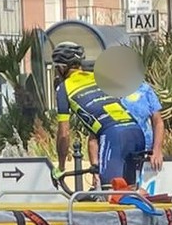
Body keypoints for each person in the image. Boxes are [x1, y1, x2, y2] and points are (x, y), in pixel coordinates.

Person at [52, 42, 147, 187]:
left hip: (114, 135)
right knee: (130, 192)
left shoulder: (63, 88)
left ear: (61, 68)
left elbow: (64, 134)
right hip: (135, 131)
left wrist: (61, 167)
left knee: (112, 194)